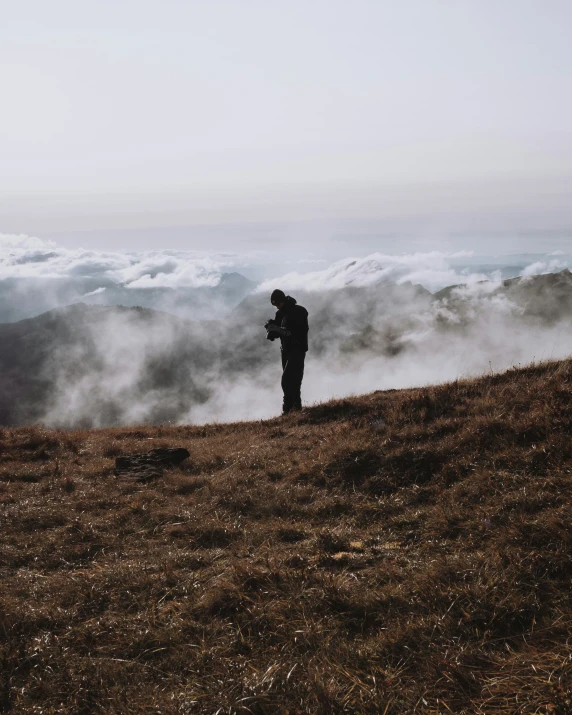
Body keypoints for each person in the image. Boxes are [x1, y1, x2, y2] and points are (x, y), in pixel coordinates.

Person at [264, 289, 309, 414]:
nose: (277, 306)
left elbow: (299, 331)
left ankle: (287, 410)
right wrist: (271, 327)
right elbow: (279, 330)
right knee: (293, 381)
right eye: (275, 305)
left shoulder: (299, 311)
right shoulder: (280, 314)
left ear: (283, 300)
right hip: (286, 350)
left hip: (297, 350)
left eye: (278, 303)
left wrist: (279, 330)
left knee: (288, 380)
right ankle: (295, 409)